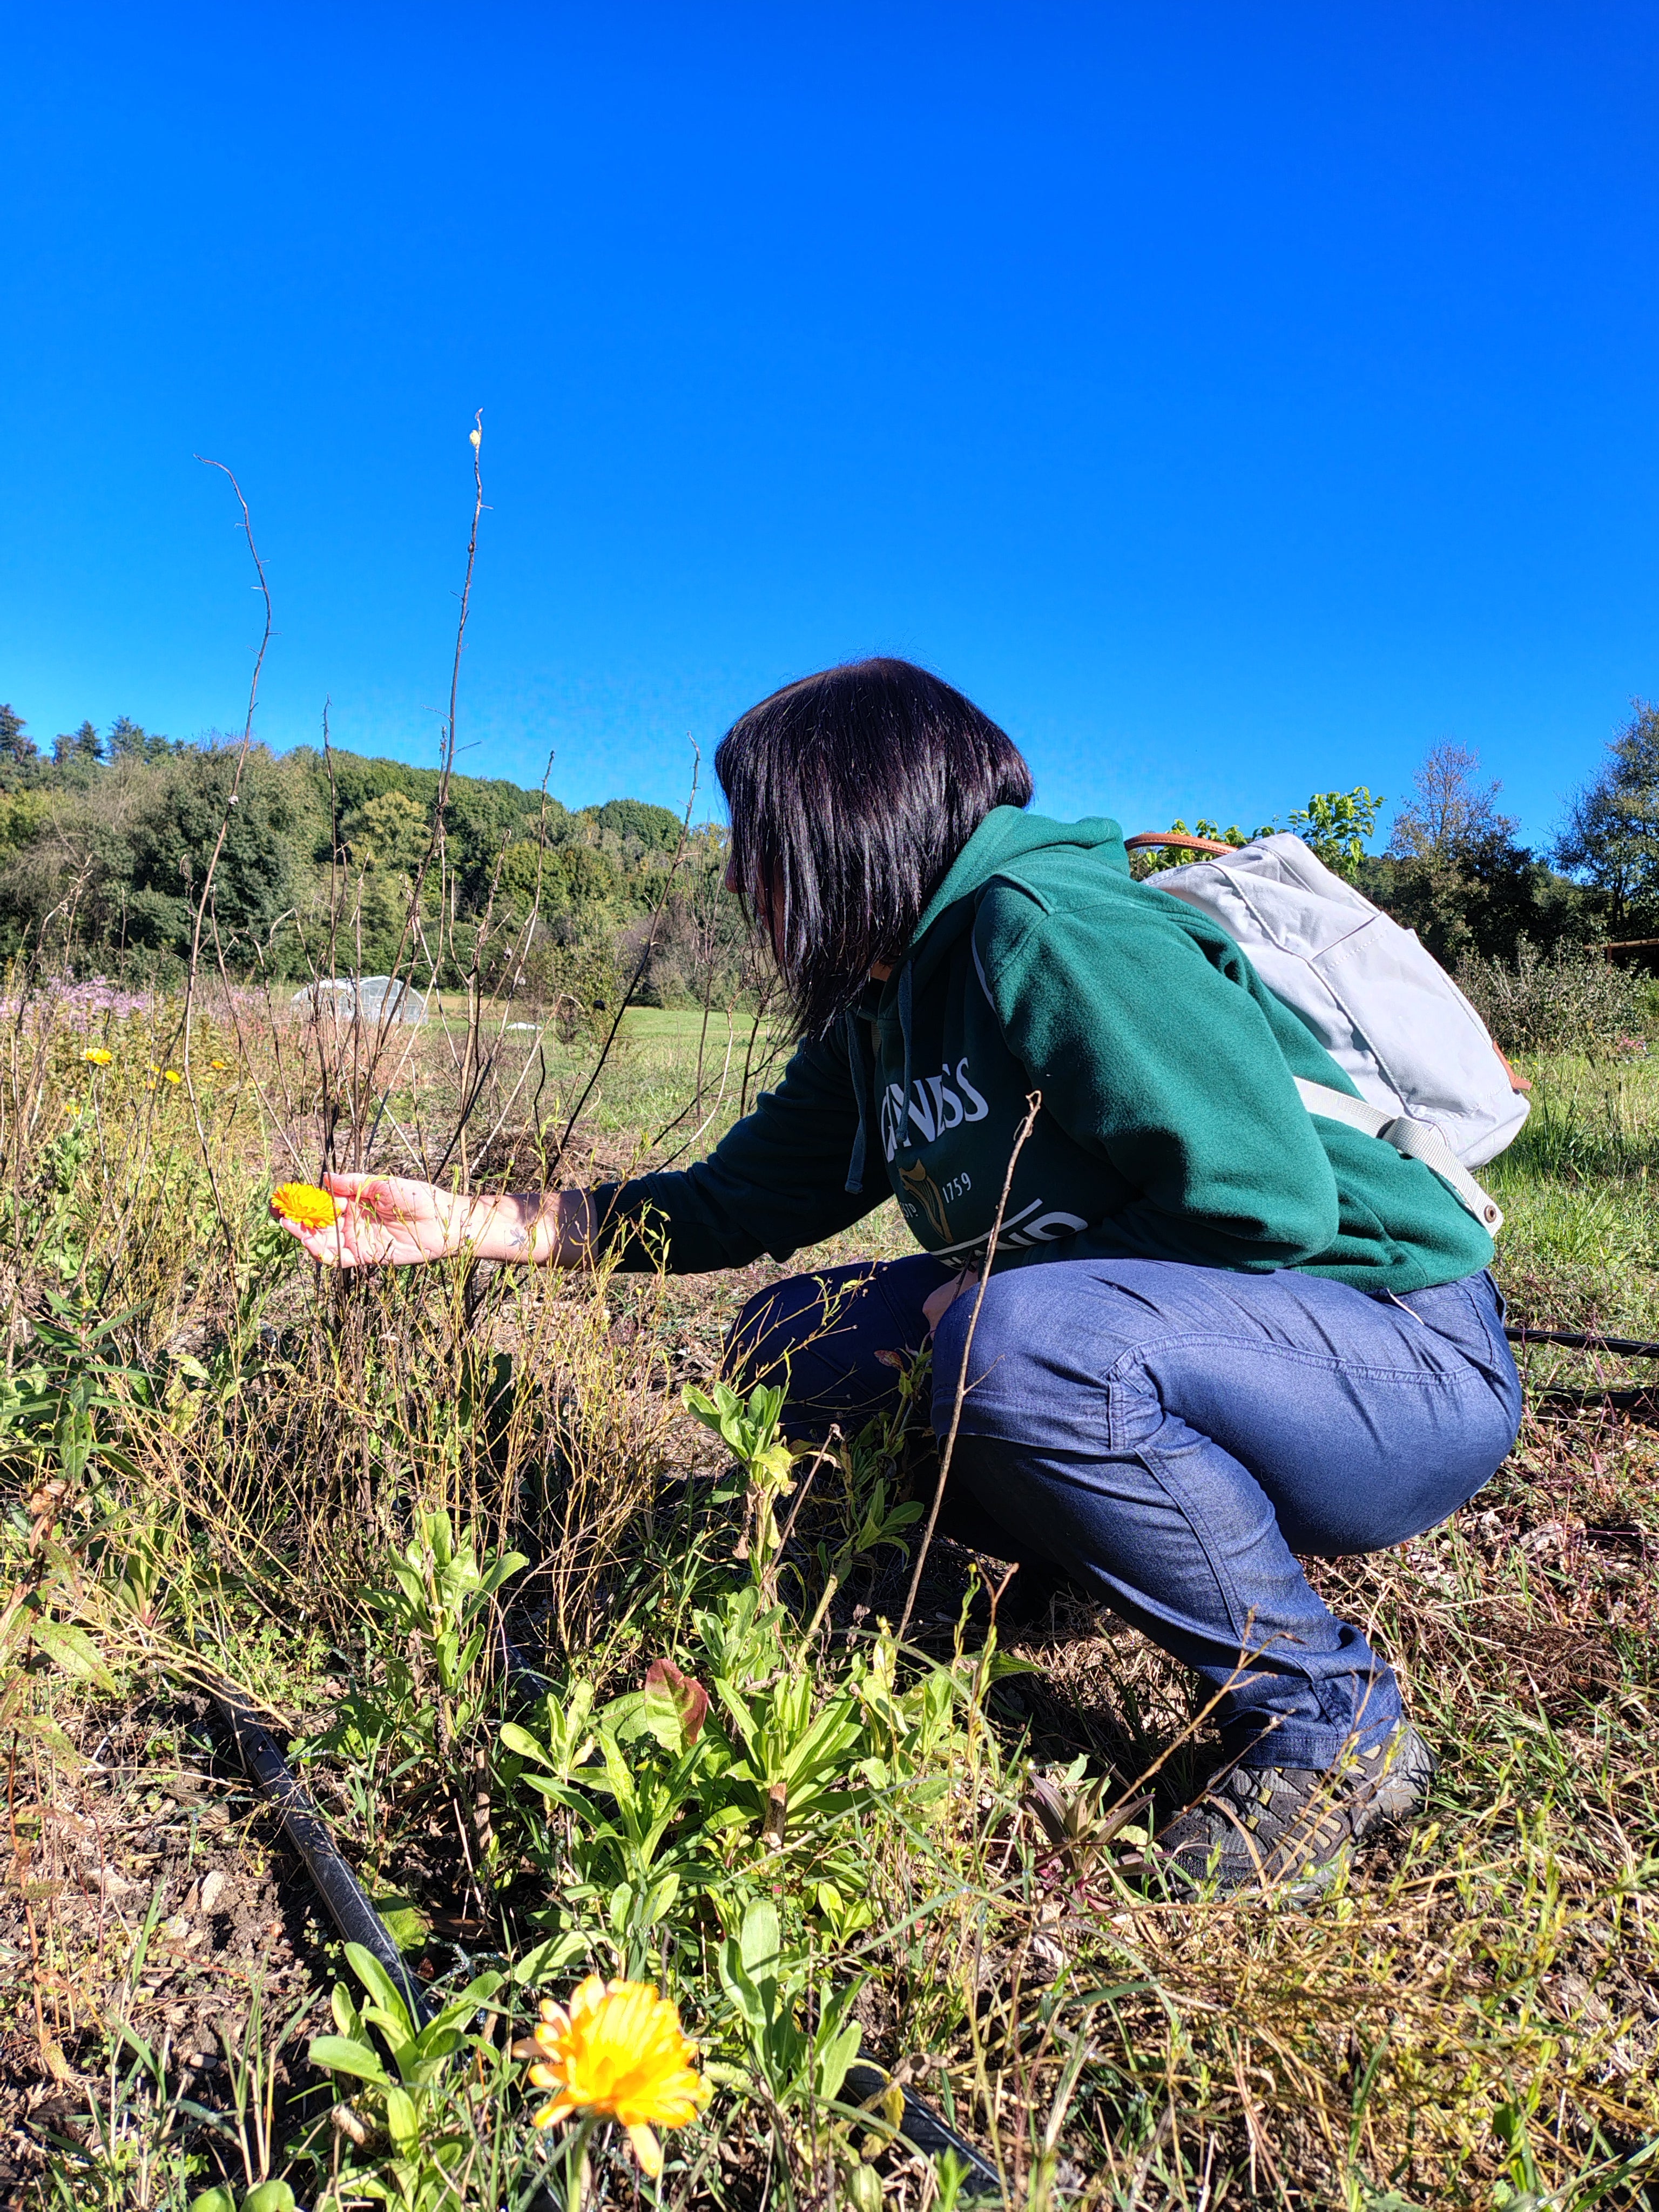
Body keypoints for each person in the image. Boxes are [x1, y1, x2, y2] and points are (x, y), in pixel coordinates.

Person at [279, 658, 1521, 1896]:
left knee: (1013, 1341)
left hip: (1401, 1359)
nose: (734, 876)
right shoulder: (880, 1011)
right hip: (1206, 1346)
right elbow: (733, 1202)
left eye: (758, 840)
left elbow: (1268, 1202)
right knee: (794, 1336)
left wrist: (959, 1300)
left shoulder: (1047, 931)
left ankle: (1328, 1719)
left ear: (852, 824)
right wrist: (463, 1222)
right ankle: (1081, 1560)